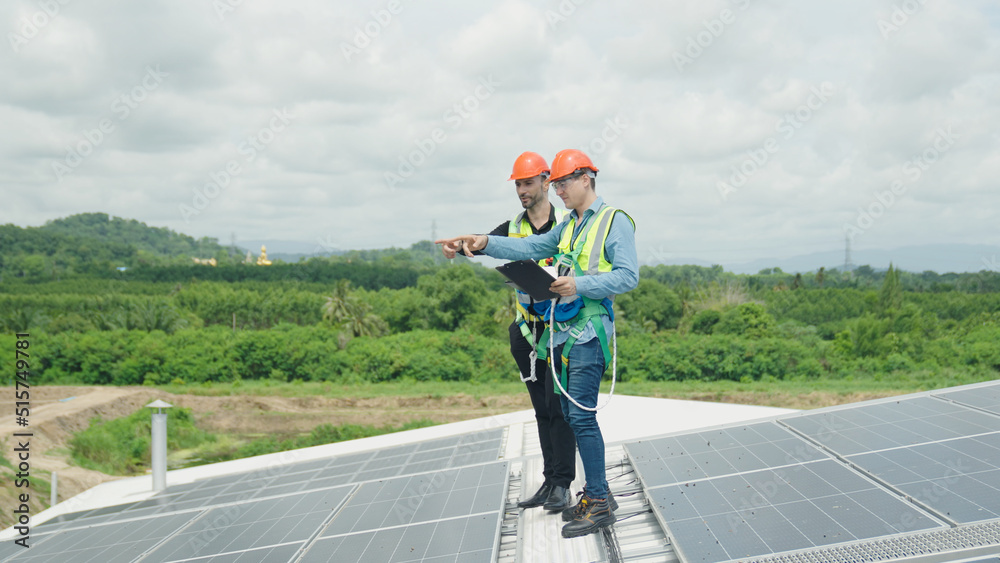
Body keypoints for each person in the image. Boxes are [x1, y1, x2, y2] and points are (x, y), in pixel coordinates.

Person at [437, 149, 638, 539]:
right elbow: (528, 248)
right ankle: (599, 494)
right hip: (562, 332)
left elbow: (628, 277)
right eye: (557, 183)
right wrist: (479, 242)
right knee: (567, 411)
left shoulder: (615, 221)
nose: (559, 190)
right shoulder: (571, 227)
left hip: (590, 331)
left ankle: (597, 501)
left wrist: (580, 284)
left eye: (564, 182)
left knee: (579, 416)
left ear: (586, 178)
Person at [441, 151, 577, 512]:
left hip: (561, 329)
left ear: (546, 182)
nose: (522, 190)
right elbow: (486, 242)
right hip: (527, 333)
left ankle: (564, 483)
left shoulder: (568, 223)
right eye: (518, 184)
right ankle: (550, 481)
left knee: (559, 408)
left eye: (528, 183)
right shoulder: (513, 227)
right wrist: (460, 245)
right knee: (542, 411)